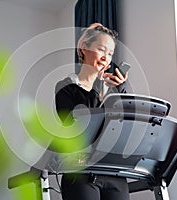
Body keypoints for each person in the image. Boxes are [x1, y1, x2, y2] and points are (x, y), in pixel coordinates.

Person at [55, 23, 130, 200]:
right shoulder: (66, 88)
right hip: (80, 171)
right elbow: (80, 126)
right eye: (101, 50)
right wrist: (98, 87)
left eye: (110, 54)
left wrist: (122, 90)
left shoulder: (112, 91)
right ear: (84, 48)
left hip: (113, 173)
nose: (106, 58)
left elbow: (128, 123)